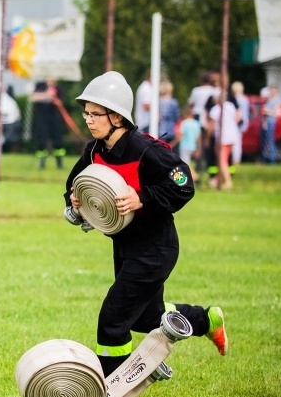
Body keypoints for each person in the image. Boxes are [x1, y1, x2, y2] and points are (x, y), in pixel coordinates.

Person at [63, 71, 227, 378]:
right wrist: (74, 202)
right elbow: (75, 184)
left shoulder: (146, 151)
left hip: (156, 247)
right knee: (143, 318)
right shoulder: (95, 151)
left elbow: (183, 184)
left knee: (113, 318)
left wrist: (143, 199)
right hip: (124, 245)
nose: (88, 119)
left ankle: (112, 383)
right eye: (86, 112)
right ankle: (205, 320)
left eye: (95, 114)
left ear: (116, 116)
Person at [207, 91, 240, 190]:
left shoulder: (215, 110)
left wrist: (207, 137)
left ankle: (228, 182)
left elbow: (211, 126)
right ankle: (217, 180)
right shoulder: (230, 106)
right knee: (224, 159)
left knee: (221, 160)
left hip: (223, 137)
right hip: (232, 135)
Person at [30, 79, 65, 169]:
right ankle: (41, 164)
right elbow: (33, 97)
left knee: (57, 141)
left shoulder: (58, 88)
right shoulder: (40, 86)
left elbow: (60, 103)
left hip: (54, 118)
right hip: (42, 118)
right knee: (41, 141)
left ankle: (59, 163)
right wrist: (47, 94)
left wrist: (54, 98)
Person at [177, 105, 202, 183]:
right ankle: (192, 179)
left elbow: (180, 136)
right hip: (193, 146)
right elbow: (199, 137)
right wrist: (199, 148)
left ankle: (195, 178)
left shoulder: (184, 123)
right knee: (188, 164)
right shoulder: (196, 124)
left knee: (185, 165)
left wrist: (172, 144)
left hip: (185, 146)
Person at [261, 84, 281, 164]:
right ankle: (264, 159)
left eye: (273, 89)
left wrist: (267, 111)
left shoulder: (277, 99)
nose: (272, 91)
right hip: (266, 122)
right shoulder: (268, 99)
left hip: (271, 122)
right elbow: (264, 110)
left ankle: (272, 161)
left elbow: (275, 112)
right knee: (264, 142)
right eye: (271, 89)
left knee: (270, 141)